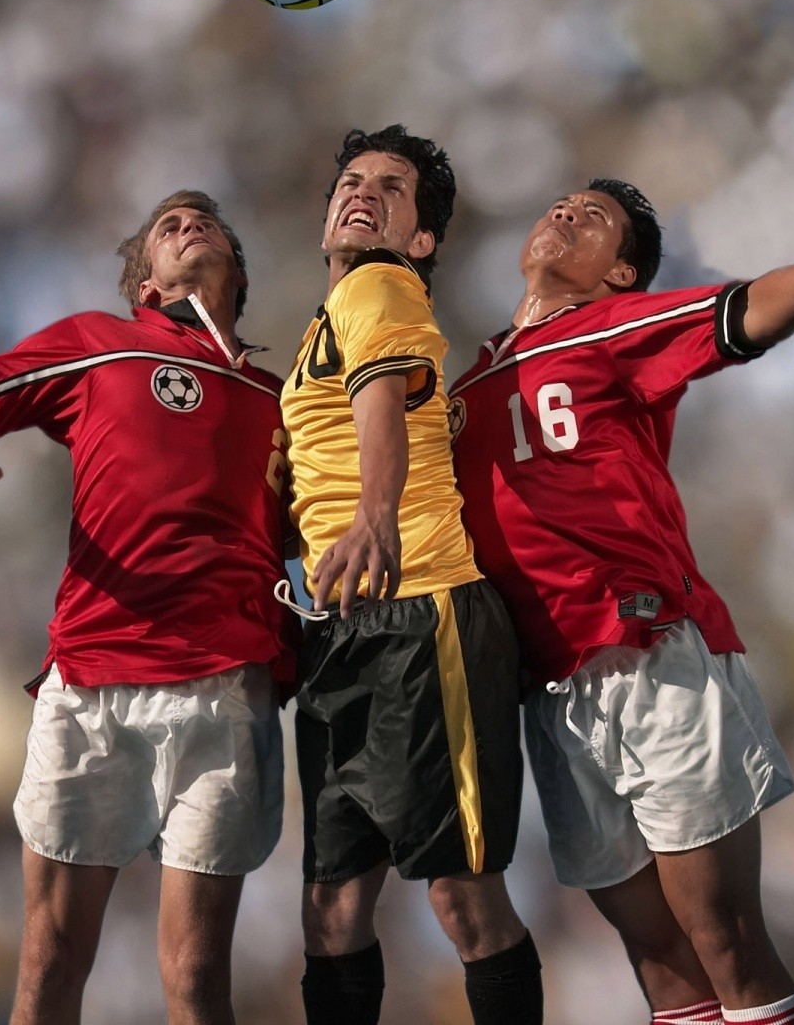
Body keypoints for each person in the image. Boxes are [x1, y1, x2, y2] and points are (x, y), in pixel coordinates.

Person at [448, 179, 794, 1025]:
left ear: (620, 274)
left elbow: (745, 314)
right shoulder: (469, 381)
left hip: (648, 656)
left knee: (724, 937)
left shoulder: (606, 329)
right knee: (662, 967)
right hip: (550, 692)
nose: (567, 213)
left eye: (594, 218)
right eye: (562, 203)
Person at [0, 191, 291, 1025]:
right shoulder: (99, 346)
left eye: (205, 220)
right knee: (50, 962)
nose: (187, 226)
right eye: (166, 227)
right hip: (93, 680)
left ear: (240, 269)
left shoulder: (284, 400)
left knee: (194, 974)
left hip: (224, 688)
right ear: (143, 284)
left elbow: (308, 533)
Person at [280, 125, 541, 1025]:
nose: (364, 192)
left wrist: (375, 515)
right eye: (351, 180)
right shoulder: (331, 314)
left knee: (461, 899)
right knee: (333, 908)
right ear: (324, 221)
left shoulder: (383, 284)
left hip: (422, 612)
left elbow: (383, 409)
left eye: (393, 188)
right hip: (345, 628)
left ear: (421, 240)